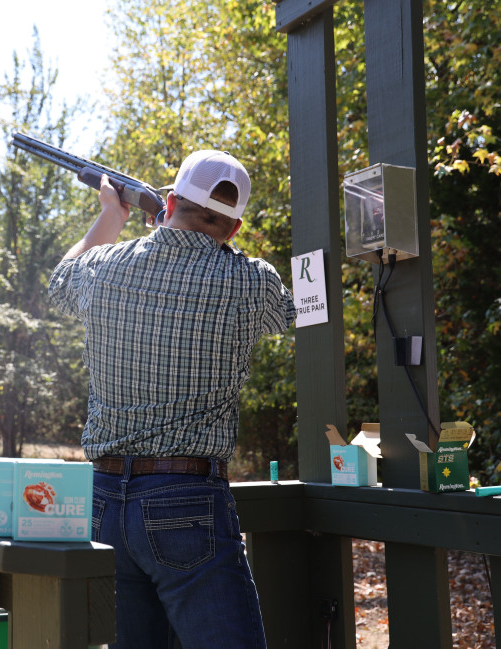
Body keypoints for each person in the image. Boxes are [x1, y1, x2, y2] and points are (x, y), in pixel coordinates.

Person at [48, 149, 296, 649]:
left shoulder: (103, 267)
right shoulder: (252, 282)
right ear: (234, 228)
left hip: (102, 501)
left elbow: (58, 284)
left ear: (169, 201)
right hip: (189, 500)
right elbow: (292, 316)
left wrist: (112, 214)